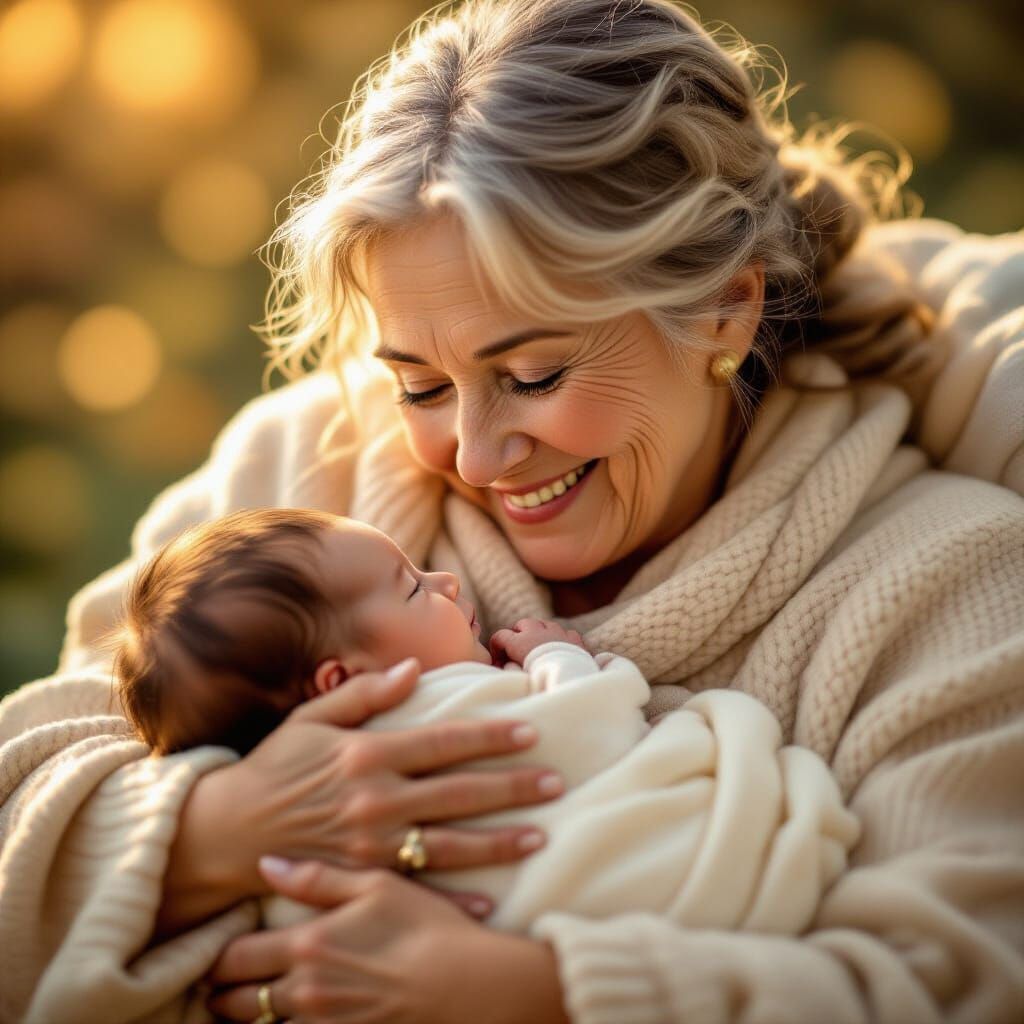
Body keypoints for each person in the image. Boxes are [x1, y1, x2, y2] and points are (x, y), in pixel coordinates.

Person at [1, 0, 1022, 1021]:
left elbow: (955, 978)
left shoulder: (945, 580)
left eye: (533, 375)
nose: (478, 457)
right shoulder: (308, 473)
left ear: (724, 306)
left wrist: (535, 993)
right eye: (419, 385)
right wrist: (216, 831)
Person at [111, 506, 858, 949]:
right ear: (344, 683)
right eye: (412, 587)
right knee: (726, 729)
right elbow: (582, 732)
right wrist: (563, 658)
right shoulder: (437, 708)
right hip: (658, 885)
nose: (447, 581)